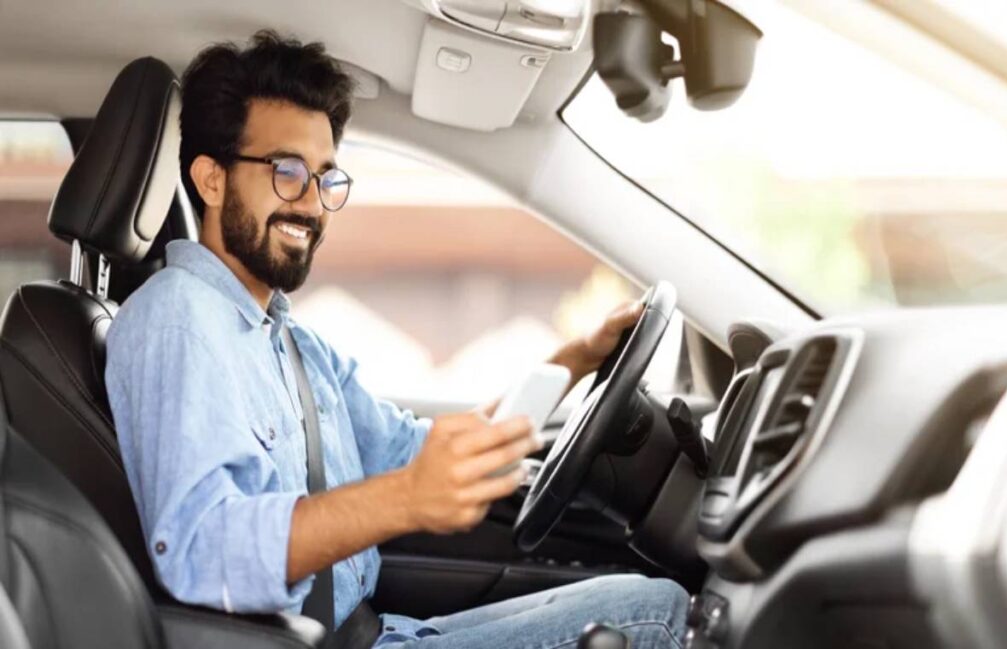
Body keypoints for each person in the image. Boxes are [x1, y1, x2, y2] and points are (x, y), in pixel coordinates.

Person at [105, 30, 688, 649]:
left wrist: (578, 358)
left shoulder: (290, 341)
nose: (313, 205)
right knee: (657, 614)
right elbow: (203, 550)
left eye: (326, 178)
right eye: (287, 172)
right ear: (212, 180)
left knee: (642, 598)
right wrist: (404, 499)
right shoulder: (177, 321)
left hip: (377, 631)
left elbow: (419, 453)